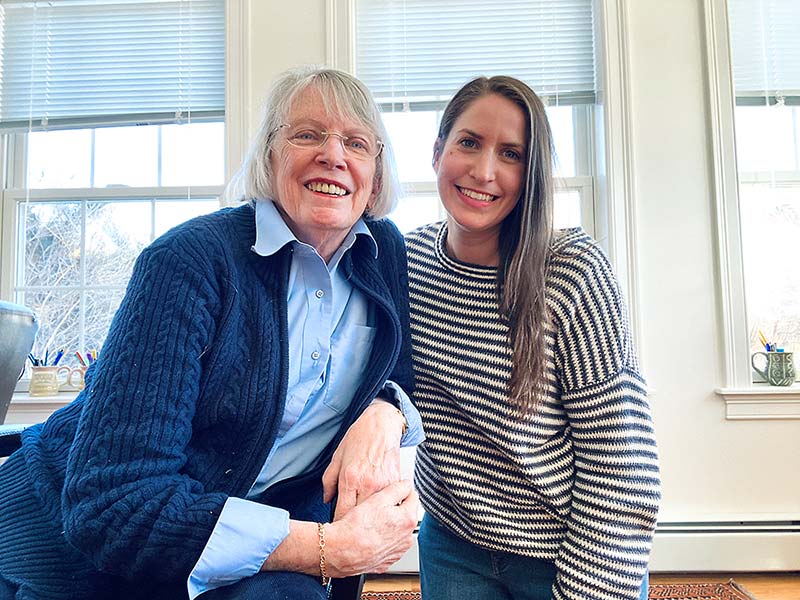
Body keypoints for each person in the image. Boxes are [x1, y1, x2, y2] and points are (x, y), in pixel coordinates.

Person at [0, 66, 423, 600]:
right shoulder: (189, 263)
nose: (333, 155)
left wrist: (383, 412)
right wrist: (331, 547)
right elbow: (113, 504)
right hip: (72, 543)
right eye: (307, 134)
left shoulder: (382, 254)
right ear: (270, 156)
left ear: (377, 174)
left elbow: (404, 365)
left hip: (244, 536)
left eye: (356, 143)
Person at [406, 76, 661, 600]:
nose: (483, 171)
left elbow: (621, 467)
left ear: (533, 173)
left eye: (512, 154)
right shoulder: (404, 264)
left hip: (569, 549)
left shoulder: (572, 273)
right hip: (452, 542)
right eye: (469, 143)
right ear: (438, 153)